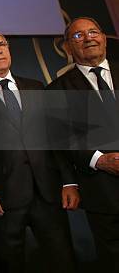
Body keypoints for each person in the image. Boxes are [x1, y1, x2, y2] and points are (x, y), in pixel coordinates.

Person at [0, 29, 78, 272]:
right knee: (10, 264)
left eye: (2, 44)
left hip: (48, 194)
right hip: (3, 198)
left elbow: (55, 138)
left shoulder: (37, 87)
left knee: (63, 261)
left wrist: (68, 182)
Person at [47, 17, 119, 270]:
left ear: (103, 37)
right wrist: (99, 159)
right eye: (78, 36)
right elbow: (61, 138)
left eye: (93, 32)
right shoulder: (56, 90)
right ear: (67, 47)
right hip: (102, 187)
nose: (88, 38)